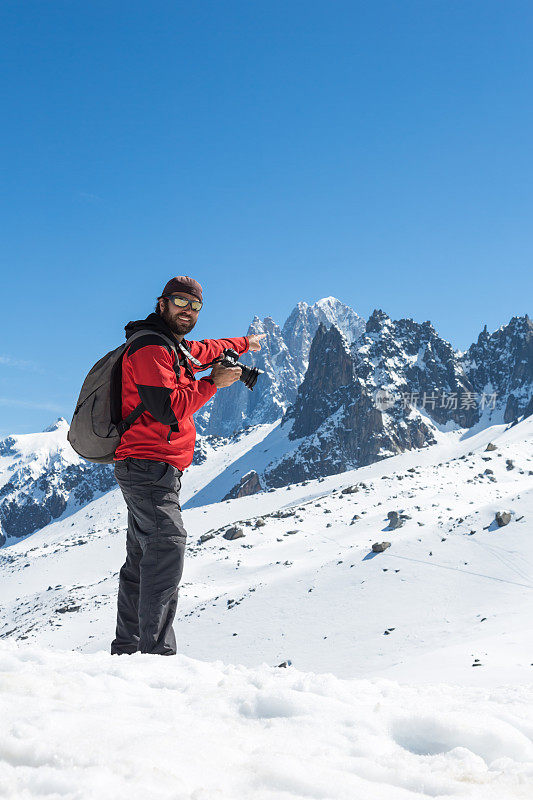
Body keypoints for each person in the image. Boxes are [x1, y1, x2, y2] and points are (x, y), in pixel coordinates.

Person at [111, 275, 265, 656]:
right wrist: (213, 383)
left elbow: (208, 348)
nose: (187, 310)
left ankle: (127, 649)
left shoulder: (175, 347)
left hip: (156, 468)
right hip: (147, 465)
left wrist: (243, 344)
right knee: (167, 543)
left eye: (195, 305)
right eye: (179, 302)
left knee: (143, 556)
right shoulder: (151, 348)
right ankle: (155, 654)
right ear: (162, 303)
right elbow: (165, 409)